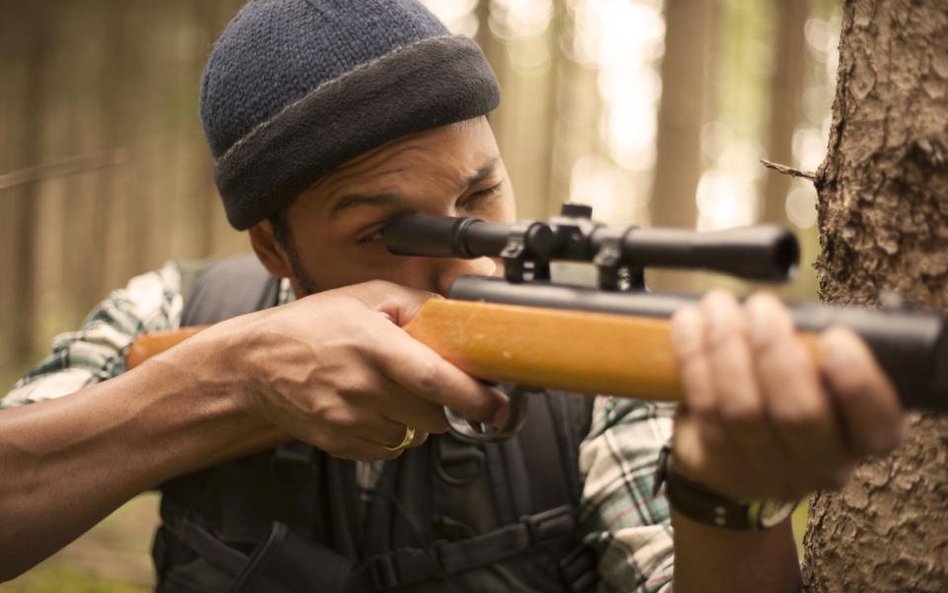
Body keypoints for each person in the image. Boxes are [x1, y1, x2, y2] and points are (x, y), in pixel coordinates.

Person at [0, 1, 904, 592]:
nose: (469, 267)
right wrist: (233, 382)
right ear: (275, 246)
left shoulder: (592, 378)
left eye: (480, 200)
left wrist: (727, 506)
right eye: (390, 235)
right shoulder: (173, 314)